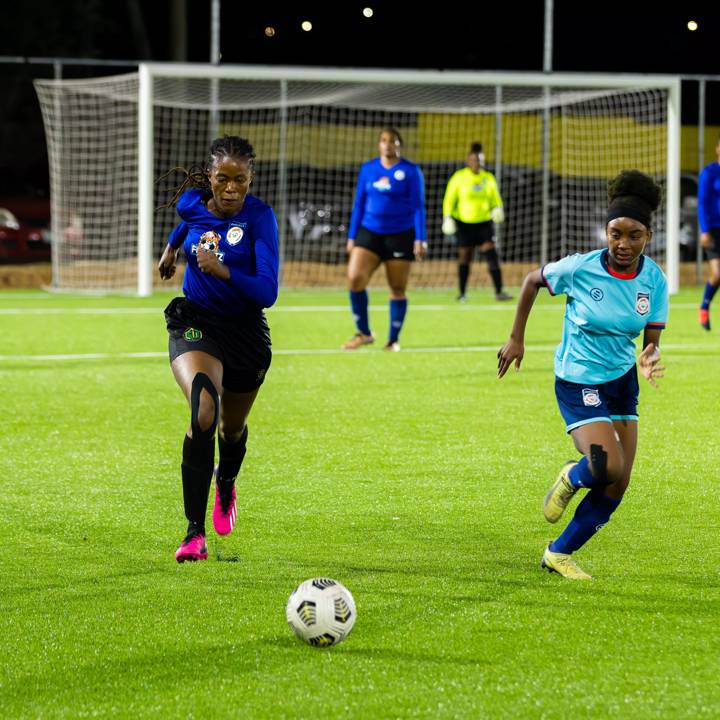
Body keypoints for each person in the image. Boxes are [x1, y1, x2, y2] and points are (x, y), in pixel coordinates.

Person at [497, 170, 667, 580]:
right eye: (615, 233)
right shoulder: (580, 268)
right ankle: (572, 476)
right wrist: (516, 337)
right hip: (578, 378)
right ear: (606, 231)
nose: (622, 244)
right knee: (605, 465)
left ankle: (558, 554)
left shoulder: (654, 280)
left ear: (649, 235)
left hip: (621, 382)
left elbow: (651, 337)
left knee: (618, 482)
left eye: (633, 235)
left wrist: (648, 355)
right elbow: (531, 280)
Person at [157, 136, 279, 562]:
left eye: (240, 180)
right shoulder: (193, 203)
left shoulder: (260, 218)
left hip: (245, 333)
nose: (231, 188)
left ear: (250, 180)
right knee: (204, 409)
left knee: (231, 429)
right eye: (223, 179)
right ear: (210, 178)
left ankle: (225, 483)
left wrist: (223, 271)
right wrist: (172, 249)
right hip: (196, 323)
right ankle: (194, 534)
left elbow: (267, 291)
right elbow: (187, 221)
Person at [343, 127, 427, 352]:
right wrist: (352, 236)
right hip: (369, 232)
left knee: (397, 288)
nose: (388, 144)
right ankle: (364, 333)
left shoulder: (410, 171)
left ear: (400, 145)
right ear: (379, 144)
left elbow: (419, 206)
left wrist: (421, 238)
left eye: (393, 141)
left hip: (400, 234)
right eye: (384, 140)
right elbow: (359, 203)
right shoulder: (368, 169)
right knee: (354, 278)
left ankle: (392, 340)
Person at [442, 142, 512, 302]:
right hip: (464, 224)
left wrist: (498, 209)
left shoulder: (488, 178)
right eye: (474, 160)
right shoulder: (459, 178)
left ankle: (499, 291)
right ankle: (462, 293)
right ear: (468, 161)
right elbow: (449, 199)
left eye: (480, 160)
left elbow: (496, 199)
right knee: (465, 257)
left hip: (484, 224)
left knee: (491, 255)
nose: (477, 163)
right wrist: (447, 217)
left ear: (483, 161)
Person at [698, 135, 720, 331]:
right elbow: (702, 203)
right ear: (717, 148)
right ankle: (704, 307)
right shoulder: (709, 172)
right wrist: (704, 230)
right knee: (717, 273)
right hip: (714, 231)